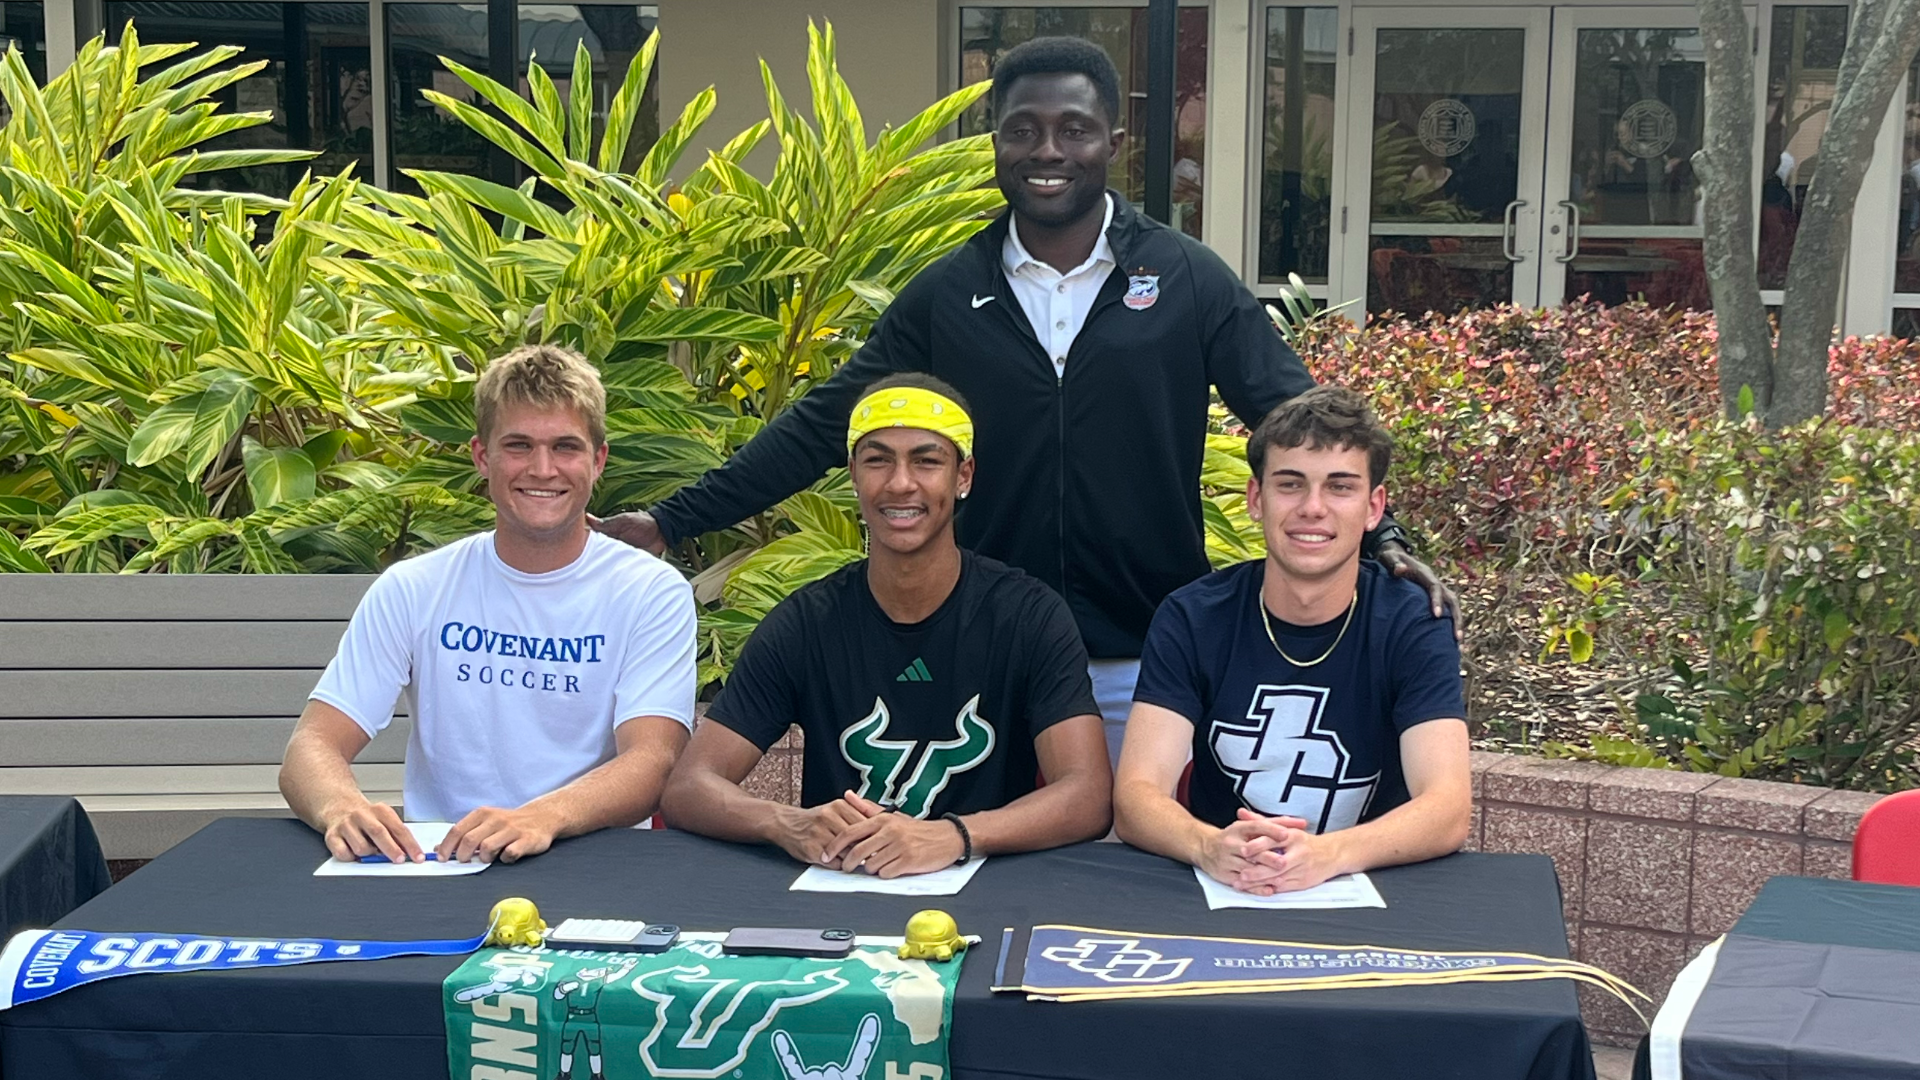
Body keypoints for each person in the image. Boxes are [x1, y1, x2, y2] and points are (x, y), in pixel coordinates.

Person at [594, 36, 1457, 767]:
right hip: (989, 651)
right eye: (1024, 131)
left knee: (1127, 888)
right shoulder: (947, 294)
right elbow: (831, 420)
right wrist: (672, 520)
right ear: (995, 142)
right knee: (989, 887)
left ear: (1112, 142)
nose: (1049, 151)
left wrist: (1383, 535)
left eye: (1074, 130)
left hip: (1143, 660)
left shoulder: (1185, 279)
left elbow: (1294, 419)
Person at [659, 375, 1111, 877]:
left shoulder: (1029, 616)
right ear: (853, 474)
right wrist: (787, 822)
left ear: (964, 477)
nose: (900, 483)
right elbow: (688, 787)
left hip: (990, 888)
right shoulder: (808, 621)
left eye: (926, 460)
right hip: (839, 892)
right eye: (878, 460)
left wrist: (954, 836)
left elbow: (1087, 794)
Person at [280, 345, 697, 864]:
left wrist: (540, 817)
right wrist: (341, 807)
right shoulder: (414, 587)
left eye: (565, 447)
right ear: (482, 456)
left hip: (594, 857)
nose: (543, 469)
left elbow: (653, 760)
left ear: (598, 460)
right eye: (519, 446)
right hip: (442, 859)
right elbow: (312, 745)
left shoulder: (650, 592)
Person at [1112, 387, 1470, 894]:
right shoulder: (1192, 617)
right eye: (1290, 484)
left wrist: (1329, 855)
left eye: (1340, 487)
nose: (1313, 508)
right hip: (1225, 885)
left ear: (1374, 508)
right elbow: (1136, 795)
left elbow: (1448, 808)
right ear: (1256, 499)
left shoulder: (1412, 621)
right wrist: (1206, 845)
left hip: (1372, 884)